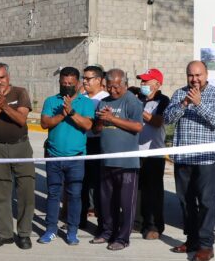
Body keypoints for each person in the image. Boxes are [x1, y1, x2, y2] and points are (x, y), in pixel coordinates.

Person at [164, 60, 215, 261]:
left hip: (206, 158)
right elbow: (167, 119)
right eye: (191, 75)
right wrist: (184, 103)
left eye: (198, 75)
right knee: (185, 201)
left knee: (206, 202)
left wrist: (199, 103)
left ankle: (206, 245)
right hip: (183, 157)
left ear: (206, 74)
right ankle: (191, 240)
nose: (195, 79)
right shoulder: (179, 93)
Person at [0, 63, 35, 250]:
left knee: (25, 191)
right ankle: (4, 234)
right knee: (0, 193)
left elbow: (21, 120)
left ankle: (24, 234)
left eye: (2, 77)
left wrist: (4, 106)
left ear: (8, 77)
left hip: (21, 147)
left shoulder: (20, 93)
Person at [39, 67, 95, 245]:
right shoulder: (50, 101)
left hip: (76, 158)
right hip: (53, 156)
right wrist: (62, 114)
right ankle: (50, 229)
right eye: (64, 84)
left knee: (74, 196)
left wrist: (71, 112)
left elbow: (87, 125)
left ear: (78, 83)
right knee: (53, 194)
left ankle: (72, 231)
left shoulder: (86, 103)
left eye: (71, 84)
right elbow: (44, 123)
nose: (67, 87)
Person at [90, 69, 143, 251]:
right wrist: (100, 120)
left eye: (117, 87)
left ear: (125, 84)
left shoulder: (132, 101)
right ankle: (107, 232)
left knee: (126, 204)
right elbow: (96, 130)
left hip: (126, 164)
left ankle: (123, 238)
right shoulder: (103, 102)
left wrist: (112, 118)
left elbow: (137, 127)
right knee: (106, 202)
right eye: (110, 86)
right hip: (106, 161)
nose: (113, 90)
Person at [136, 68, 170, 240]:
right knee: (137, 191)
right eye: (141, 81)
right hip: (134, 153)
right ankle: (137, 223)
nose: (142, 84)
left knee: (153, 193)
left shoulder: (163, 101)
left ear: (157, 83)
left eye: (146, 81)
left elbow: (157, 122)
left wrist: (139, 110)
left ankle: (154, 226)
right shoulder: (137, 99)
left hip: (154, 154)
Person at [79, 65, 109, 229]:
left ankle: (102, 223)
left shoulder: (105, 98)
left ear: (98, 80)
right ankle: (80, 219)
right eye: (83, 78)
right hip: (82, 143)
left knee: (99, 186)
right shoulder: (81, 97)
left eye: (88, 78)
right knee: (81, 184)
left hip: (98, 144)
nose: (85, 81)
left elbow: (100, 126)